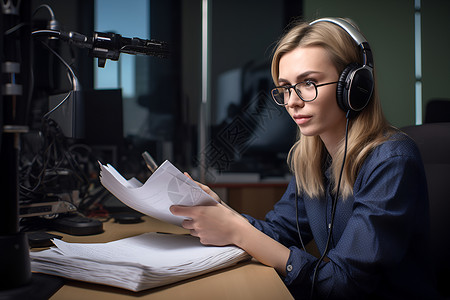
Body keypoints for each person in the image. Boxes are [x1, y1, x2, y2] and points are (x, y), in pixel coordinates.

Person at [170, 17, 439, 299]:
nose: (292, 101)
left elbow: (343, 285)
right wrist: (220, 211)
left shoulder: (392, 160)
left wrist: (237, 231)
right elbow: (276, 233)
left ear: (353, 86)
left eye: (308, 83)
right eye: (285, 87)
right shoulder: (312, 161)